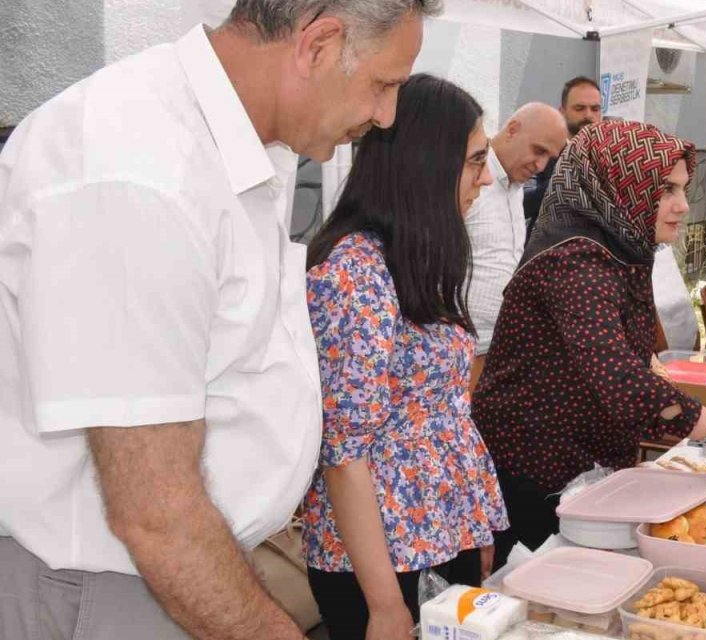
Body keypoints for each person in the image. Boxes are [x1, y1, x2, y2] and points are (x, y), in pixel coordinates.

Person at [0, 1, 429, 638]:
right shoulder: (138, 169)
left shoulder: (231, 141)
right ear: (317, 45)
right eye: (384, 84)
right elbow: (156, 515)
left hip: (182, 573)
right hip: (123, 588)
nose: (386, 115)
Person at [474, 121, 706, 570]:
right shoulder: (575, 261)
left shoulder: (619, 245)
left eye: (682, 189)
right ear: (619, 187)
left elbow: (620, 355)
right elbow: (620, 381)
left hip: (582, 464)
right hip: (537, 469)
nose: (682, 205)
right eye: (665, 190)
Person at [302, 75, 510, 640]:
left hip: (439, 533)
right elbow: (344, 455)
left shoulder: (410, 258)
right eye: (474, 162)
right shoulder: (354, 275)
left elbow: (441, 411)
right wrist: (386, 605)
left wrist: (473, 524)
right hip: (385, 562)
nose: (486, 178)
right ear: (425, 165)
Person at [466, 103, 568, 386]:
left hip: (499, 352)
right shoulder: (470, 179)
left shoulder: (516, 187)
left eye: (550, 157)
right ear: (512, 129)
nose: (541, 166)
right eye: (538, 150)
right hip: (463, 356)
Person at [524, 76, 603, 230]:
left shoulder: (610, 154)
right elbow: (523, 202)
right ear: (562, 111)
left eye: (595, 109)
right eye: (579, 108)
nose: (588, 115)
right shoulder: (542, 149)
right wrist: (568, 179)